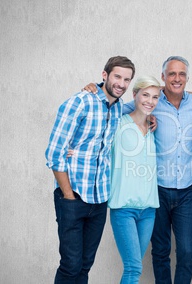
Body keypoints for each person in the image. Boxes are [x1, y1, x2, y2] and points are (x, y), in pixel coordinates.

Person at [82, 56, 192, 284]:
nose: (177, 78)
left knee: (187, 253)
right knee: (159, 252)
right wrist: (96, 88)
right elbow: (109, 110)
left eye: (182, 74)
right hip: (157, 191)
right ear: (163, 78)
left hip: (185, 192)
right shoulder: (141, 106)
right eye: (171, 73)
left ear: (188, 78)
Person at [45, 56, 135, 283]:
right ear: (104, 75)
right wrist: (68, 196)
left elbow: (148, 99)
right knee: (70, 266)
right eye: (117, 76)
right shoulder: (80, 102)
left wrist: (151, 115)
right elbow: (54, 154)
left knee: (85, 266)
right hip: (73, 197)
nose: (121, 83)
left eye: (127, 79)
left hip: (99, 199)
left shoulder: (119, 108)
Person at [109, 76, 161, 283]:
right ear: (134, 95)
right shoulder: (117, 123)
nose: (150, 101)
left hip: (148, 209)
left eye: (155, 97)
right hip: (123, 208)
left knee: (134, 267)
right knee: (133, 267)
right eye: (145, 95)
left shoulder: (153, 129)